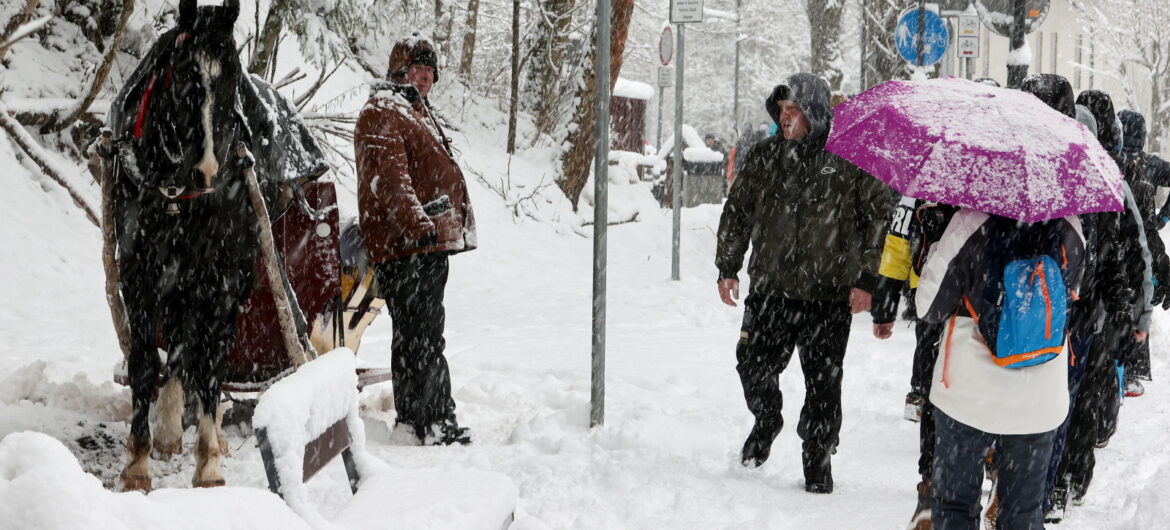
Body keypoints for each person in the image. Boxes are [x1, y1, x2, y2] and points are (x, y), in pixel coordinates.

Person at [715, 73, 891, 494]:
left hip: (827, 296)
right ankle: (767, 419)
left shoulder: (848, 160)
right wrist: (727, 266)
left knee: (824, 387)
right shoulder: (763, 157)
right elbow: (737, 212)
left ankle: (818, 459)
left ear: (812, 113)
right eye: (781, 111)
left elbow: (878, 219)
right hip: (772, 290)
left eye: (793, 111)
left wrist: (867, 280)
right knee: (752, 364)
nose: (785, 118)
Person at [916, 207, 1086, 530]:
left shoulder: (969, 222)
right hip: (1039, 394)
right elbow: (1070, 295)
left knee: (954, 505)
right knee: (1023, 512)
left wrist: (936, 249)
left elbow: (929, 307)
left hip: (968, 394)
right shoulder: (1070, 226)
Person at [354, 35, 477, 445]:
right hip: (405, 246)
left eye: (430, 71)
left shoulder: (412, 110)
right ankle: (425, 421)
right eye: (417, 69)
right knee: (417, 335)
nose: (425, 77)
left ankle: (431, 417)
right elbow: (390, 179)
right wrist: (417, 223)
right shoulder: (384, 111)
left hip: (424, 245)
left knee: (425, 334)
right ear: (399, 72)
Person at [871, 194, 957, 530]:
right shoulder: (990, 183)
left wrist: (885, 303)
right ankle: (977, 469)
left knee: (937, 391)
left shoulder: (923, 185)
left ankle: (931, 485)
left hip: (933, 299)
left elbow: (896, 246)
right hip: (972, 306)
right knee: (955, 392)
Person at [1117, 109, 1170, 396]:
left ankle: (1117, 367)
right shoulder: (1148, 164)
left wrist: (1163, 217)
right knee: (1140, 301)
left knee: (1119, 301)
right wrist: (1161, 218)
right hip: (1143, 244)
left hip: (1118, 244)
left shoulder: (1109, 162)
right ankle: (1132, 372)